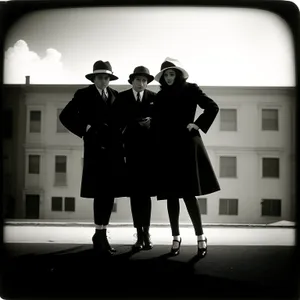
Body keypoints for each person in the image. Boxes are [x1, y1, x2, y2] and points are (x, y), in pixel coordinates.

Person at [151, 57, 221, 258]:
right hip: (166, 148)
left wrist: (197, 124)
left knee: (189, 194)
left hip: (186, 146)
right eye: (166, 74)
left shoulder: (191, 89)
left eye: (172, 74)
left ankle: (201, 237)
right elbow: (156, 122)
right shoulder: (160, 95)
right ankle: (176, 237)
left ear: (178, 74)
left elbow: (212, 106)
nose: (169, 77)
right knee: (171, 196)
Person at [59, 60, 127, 256]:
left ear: (109, 79)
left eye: (106, 77)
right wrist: (85, 129)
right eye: (99, 77)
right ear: (93, 78)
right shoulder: (83, 94)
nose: (103, 81)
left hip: (114, 151)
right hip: (95, 150)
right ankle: (98, 234)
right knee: (99, 192)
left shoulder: (115, 95)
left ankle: (103, 234)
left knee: (109, 194)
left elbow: (121, 120)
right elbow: (65, 116)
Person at [113, 66, 156, 251]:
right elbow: (115, 123)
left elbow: (161, 122)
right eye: (138, 80)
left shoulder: (154, 98)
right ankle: (138, 234)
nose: (141, 84)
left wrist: (152, 122)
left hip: (148, 155)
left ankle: (147, 233)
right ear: (132, 81)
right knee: (135, 196)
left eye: (145, 80)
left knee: (146, 196)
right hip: (130, 154)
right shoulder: (121, 98)